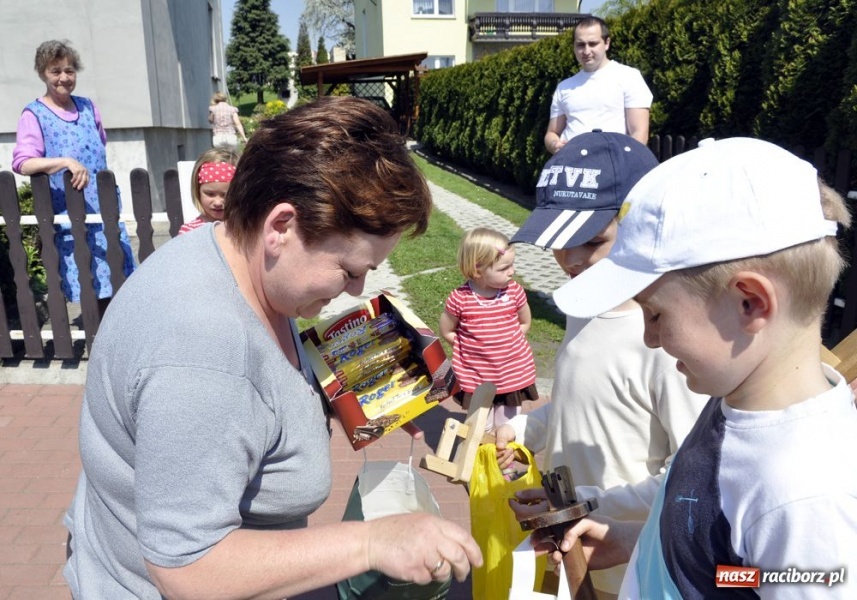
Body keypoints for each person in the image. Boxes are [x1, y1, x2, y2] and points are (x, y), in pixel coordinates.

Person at [63, 96, 483, 598]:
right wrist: (371, 543)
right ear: (281, 227)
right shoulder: (204, 358)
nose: (355, 288)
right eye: (349, 269)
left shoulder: (226, 252)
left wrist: (347, 391)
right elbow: (189, 569)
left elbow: (256, 388)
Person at [549, 137, 857, 598]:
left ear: (750, 303)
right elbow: (754, 574)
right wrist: (639, 542)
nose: (650, 337)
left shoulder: (803, 500)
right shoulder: (733, 400)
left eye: (656, 314)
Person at [500, 132, 707, 598]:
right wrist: (524, 430)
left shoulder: (665, 343)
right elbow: (579, 400)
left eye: (593, 240)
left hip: (626, 565)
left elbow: (687, 477)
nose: (570, 259)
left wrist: (589, 505)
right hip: (571, 549)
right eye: (559, 241)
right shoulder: (582, 305)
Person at [12, 39, 135, 313]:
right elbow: (23, 163)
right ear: (43, 73)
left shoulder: (88, 107)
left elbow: (99, 147)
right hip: (71, 214)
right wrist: (64, 162)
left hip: (103, 209)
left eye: (69, 70)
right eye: (55, 71)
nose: (64, 78)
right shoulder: (35, 114)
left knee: (118, 278)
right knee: (91, 285)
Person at [440, 227, 539, 432]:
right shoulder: (461, 298)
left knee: (508, 424)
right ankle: (477, 450)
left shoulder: (514, 292)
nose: (512, 271)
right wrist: (466, 348)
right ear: (478, 270)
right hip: (476, 373)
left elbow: (524, 322)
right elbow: (447, 330)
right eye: (504, 268)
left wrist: (510, 342)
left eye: (512, 265)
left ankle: (504, 451)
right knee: (479, 426)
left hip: (511, 371)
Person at [544, 16, 652, 154]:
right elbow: (552, 133)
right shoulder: (564, 87)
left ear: (606, 43)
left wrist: (625, 161)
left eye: (593, 44)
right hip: (571, 163)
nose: (586, 51)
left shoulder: (629, 77)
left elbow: (639, 133)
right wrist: (555, 144)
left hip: (613, 162)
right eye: (580, 45)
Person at [178, 147, 240, 234]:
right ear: (198, 191)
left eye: (226, 195)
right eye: (210, 194)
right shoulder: (190, 231)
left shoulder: (245, 229)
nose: (217, 203)